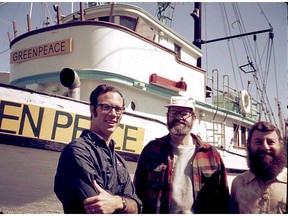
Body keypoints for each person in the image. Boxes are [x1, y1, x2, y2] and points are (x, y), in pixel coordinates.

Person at [54, 84, 142, 214]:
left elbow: (137, 206)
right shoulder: (78, 151)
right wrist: (124, 203)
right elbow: (98, 207)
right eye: (106, 107)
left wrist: (118, 202)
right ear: (92, 110)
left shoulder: (119, 161)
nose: (113, 114)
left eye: (118, 109)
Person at [133, 96, 230, 213]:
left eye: (184, 113)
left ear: (193, 118)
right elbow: (138, 193)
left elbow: (223, 200)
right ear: (167, 116)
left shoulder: (211, 154)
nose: (178, 117)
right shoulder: (151, 150)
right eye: (173, 113)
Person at [230, 121, 287, 214]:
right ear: (248, 145)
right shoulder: (238, 184)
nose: (265, 147)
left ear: (280, 145)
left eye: (270, 142)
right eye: (258, 142)